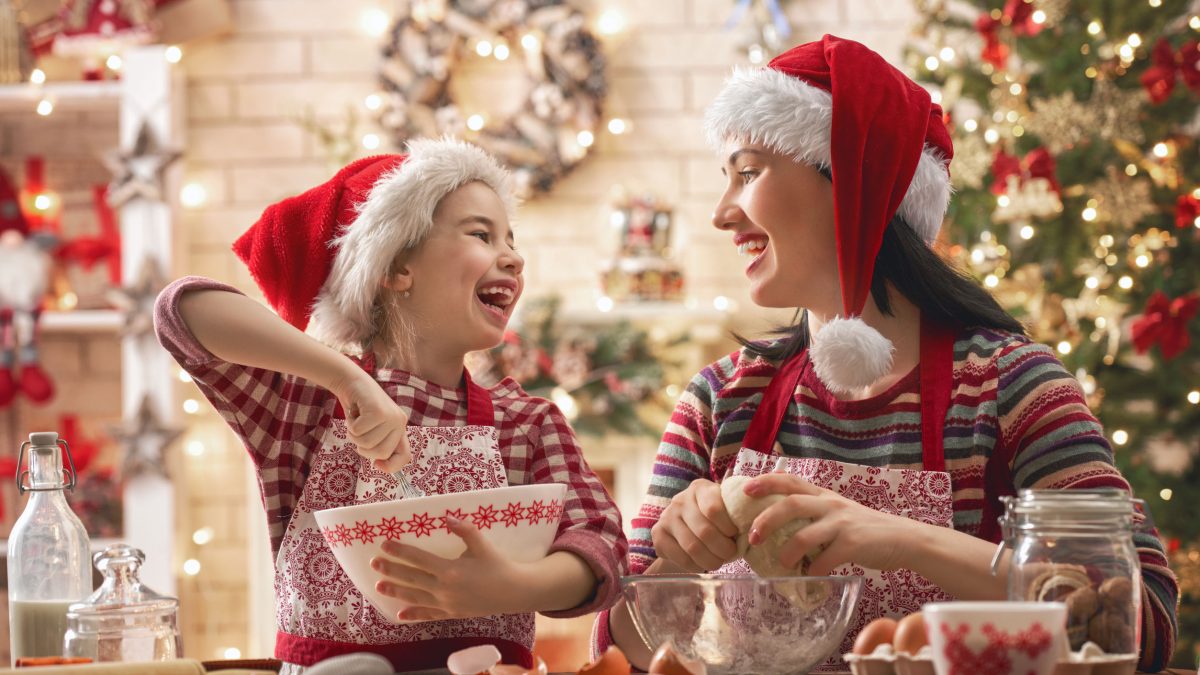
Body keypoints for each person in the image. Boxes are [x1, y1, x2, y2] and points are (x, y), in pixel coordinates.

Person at [597, 35, 1178, 672]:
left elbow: (1139, 625)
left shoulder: (1010, 387)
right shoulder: (721, 399)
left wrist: (906, 540)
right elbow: (618, 648)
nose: (721, 213)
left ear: (853, 182)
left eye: (748, 172)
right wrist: (678, 559)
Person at [154, 138, 627, 673]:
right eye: (481, 234)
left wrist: (511, 586)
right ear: (397, 266)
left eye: (511, 240)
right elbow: (181, 312)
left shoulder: (527, 424)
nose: (513, 257)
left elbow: (602, 546)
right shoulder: (305, 405)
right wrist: (346, 381)